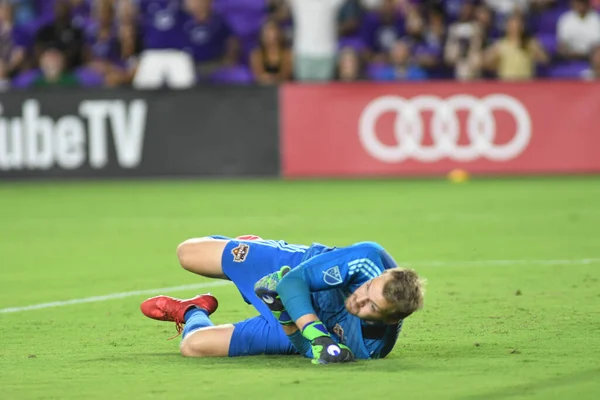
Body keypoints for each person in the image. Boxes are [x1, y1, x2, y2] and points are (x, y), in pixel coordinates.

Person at [140, 235, 426, 364]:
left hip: (293, 322)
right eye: (366, 290)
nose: (358, 299)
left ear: (391, 319)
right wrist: (317, 332)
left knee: (193, 346)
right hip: (293, 270)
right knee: (187, 254)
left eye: (371, 307)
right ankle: (252, 245)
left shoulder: (371, 348)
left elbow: (306, 347)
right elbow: (292, 282)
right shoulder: (368, 259)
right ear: (380, 276)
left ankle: (192, 309)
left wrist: (286, 318)